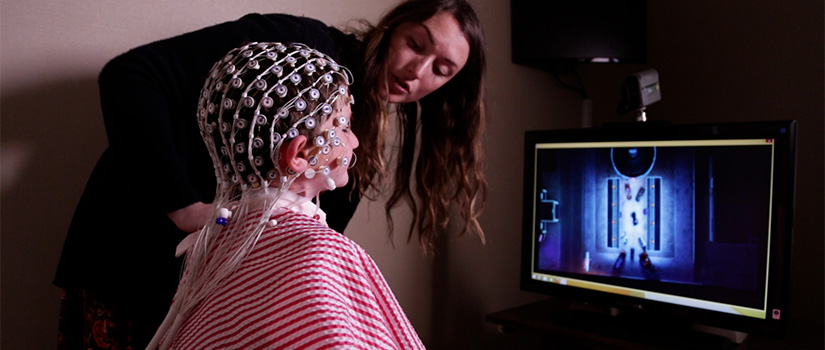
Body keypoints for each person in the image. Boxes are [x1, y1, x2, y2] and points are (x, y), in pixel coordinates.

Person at [54, 0, 487, 348]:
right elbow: (130, 76)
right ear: (394, 27)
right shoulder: (300, 50)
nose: (416, 72)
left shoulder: (357, 140)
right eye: (416, 43)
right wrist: (183, 206)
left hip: (207, 290)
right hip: (131, 251)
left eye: (441, 70)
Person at [145, 41, 423, 349]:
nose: (355, 141)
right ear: (300, 154)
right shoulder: (320, 254)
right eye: (345, 127)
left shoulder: (215, 242)